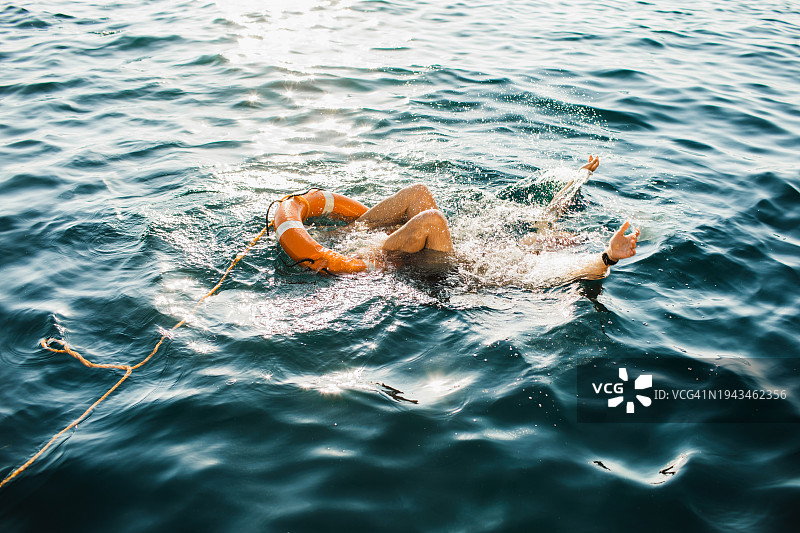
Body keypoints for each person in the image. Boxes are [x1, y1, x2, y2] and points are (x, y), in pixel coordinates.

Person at [355, 156, 639, 280]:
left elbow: (575, 271)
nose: (558, 237)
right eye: (559, 235)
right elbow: (551, 212)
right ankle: (347, 233)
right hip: (444, 250)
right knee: (419, 192)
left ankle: (358, 254)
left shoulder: (534, 267)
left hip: (439, 268)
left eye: (564, 240)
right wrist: (579, 178)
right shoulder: (534, 238)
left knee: (434, 220)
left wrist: (608, 257)